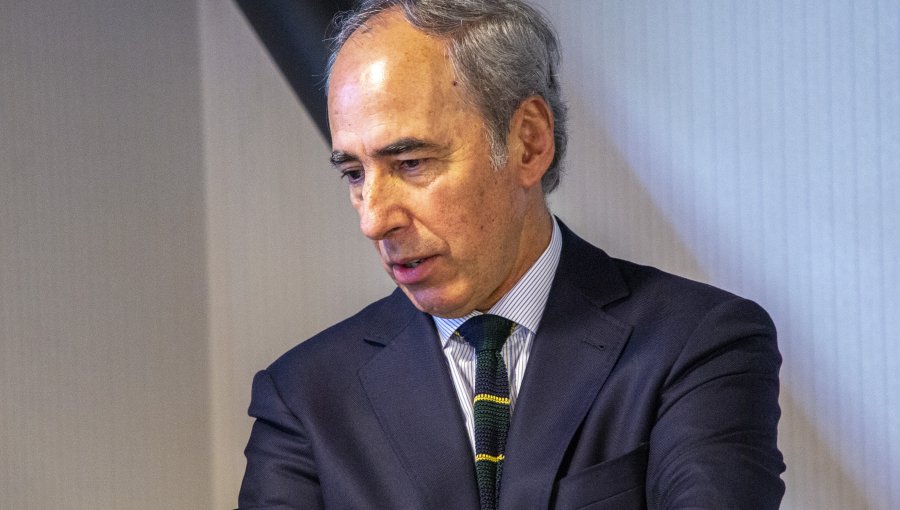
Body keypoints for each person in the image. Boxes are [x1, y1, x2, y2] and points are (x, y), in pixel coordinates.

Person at [237, 1, 786, 508]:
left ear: (528, 142)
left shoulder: (698, 344)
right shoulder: (303, 397)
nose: (373, 220)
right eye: (355, 174)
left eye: (411, 164)